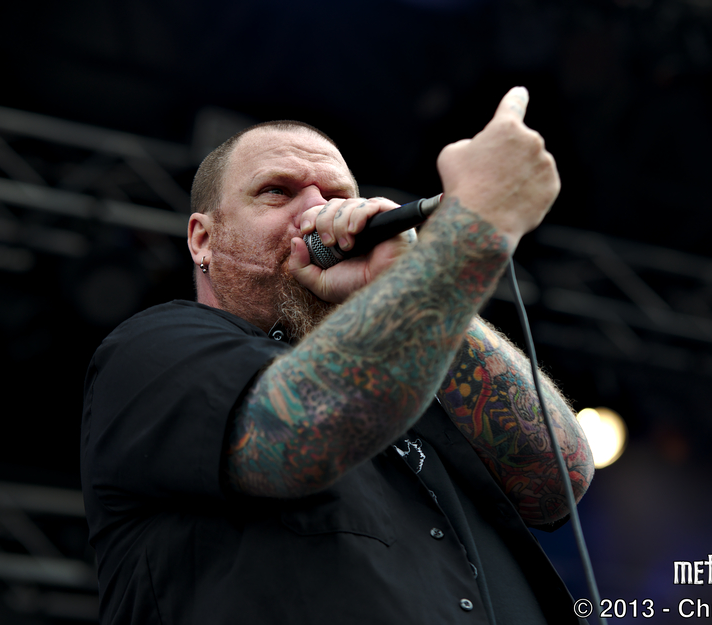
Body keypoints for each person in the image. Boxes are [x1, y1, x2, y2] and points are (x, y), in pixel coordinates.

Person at [81, 87, 594, 625]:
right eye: (277, 192)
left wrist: (401, 279)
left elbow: (558, 480)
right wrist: (473, 228)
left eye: (336, 195)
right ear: (203, 239)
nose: (317, 211)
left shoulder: (409, 362)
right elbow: (290, 435)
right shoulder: (151, 350)